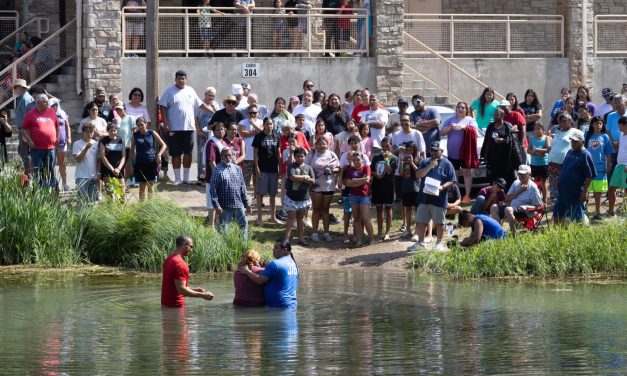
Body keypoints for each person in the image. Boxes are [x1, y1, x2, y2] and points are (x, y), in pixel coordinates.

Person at [158, 70, 213, 184]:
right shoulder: (169, 91)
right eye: (179, 78)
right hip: (174, 128)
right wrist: (166, 123)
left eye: (183, 78)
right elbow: (162, 106)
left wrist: (213, 112)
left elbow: (200, 104)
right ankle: (177, 178)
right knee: (176, 154)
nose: (181, 80)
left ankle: (186, 178)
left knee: (188, 153)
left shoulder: (191, 90)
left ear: (186, 79)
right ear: (175, 79)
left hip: (189, 128)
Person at [407, 141, 457, 252]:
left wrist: (442, 187)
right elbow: (418, 175)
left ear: (441, 151)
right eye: (431, 150)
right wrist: (430, 166)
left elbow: (452, 180)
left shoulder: (447, 164)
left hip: (439, 199)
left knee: (440, 222)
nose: (433, 152)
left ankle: (438, 243)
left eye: (436, 150)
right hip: (424, 198)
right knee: (421, 221)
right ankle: (420, 243)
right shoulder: (425, 162)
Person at [237, 240, 299, 309]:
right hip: (292, 304)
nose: (273, 250)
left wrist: (247, 271)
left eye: (276, 247)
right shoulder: (294, 264)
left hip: (278, 306)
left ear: (285, 249)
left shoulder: (275, 264)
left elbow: (259, 280)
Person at [553, 131, 596, 224]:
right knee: (556, 214)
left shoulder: (585, 155)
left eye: (576, 141)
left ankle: (580, 236)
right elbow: (565, 168)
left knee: (578, 218)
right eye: (572, 141)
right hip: (562, 191)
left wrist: (584, 192)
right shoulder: (570, 151)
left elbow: (590, 175)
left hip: (575, 192)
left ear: (583, 142)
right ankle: (557, 235)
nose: (573, 143)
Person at [210, 147, 253, 239]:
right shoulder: (217, 170)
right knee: (224, 230)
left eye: (230, 155)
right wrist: (216, 205)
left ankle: (243, 246)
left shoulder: (237, 169)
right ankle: (224, 249)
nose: (228, 157)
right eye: (225, 155)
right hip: (225, 206)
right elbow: (213, 189)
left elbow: (243, 187)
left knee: (243, 225)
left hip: (238, 204)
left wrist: (247, 204)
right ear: (221, 157)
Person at [161, 235, 214, 308]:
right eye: (191, 246)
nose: (191, 249)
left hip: (165, 305)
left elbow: (175, 286)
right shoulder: (181, 264)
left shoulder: (168, 259)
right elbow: (181, 290)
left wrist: (194, 290)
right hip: (176, 307)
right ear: (183, 245)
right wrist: (202, 295)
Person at [440, 101, 478, 203]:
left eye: (463, 108)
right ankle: (457, 196)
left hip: (466, 153)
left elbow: (476, 132)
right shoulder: (450, 120)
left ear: (466, 110)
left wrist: (464, 127)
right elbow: (442, 133)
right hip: (452, 153)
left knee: (466, 173)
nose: (461, 109)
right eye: (459, 107)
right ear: (456, 109)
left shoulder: (470, 120)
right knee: (454, 174)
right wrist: (450, 128)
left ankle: (467, 195)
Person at [490, 165, 543, 236]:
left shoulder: (533, 187)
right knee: (494, 207)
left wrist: (527, 207)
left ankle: (514, 235)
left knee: (508, 210)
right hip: (511, 208)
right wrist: (519, 191)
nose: (520, 176)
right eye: (519, 174)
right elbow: (506, 198)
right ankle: (499, 233)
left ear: (529, 175)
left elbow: (538, 206)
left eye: (523, 175)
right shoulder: (516, 183)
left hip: (524, 211)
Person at [305, 136, 340, 242]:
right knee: (316, 209)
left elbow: (339, 168)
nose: (321, 146)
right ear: (316, 145)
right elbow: (305, 168)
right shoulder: (311, 154)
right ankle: (315, 233)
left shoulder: (332, 154)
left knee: (325, 210)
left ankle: (326, 233)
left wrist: (331, 170)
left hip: (328, 185)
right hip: (316, 186)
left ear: (328, 144)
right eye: (319, 144)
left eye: (324, 143)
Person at [21, 94, 59, 188]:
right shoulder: (31, 114)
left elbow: (57, 125)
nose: (47, 103)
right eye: (45, 102)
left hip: (50, 148)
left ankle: (52, 190)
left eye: (47, 101)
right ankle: (38, 191)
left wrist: (57, 137)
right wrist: (29, 141)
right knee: (37, 170)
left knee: (50, 169)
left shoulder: (51, 112)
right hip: (37, 148)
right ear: (38, 103)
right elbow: (23, 128)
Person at [253, 117, 282, 225]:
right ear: (263, 125)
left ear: (273, 125)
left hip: (273, 169)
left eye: (271, 124)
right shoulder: (258, 137)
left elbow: (278, 154)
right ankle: (259, 218)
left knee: (273, 194)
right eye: (267, 124)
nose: (269, 126)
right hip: (262, 169)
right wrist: (256, 168)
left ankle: (273, 217)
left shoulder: (277, 137)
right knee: (260, 194)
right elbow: (255, 154)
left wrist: (279, 168)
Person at [480, 108, 519, 188]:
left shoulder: (507, 126)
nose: (495, 116)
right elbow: (486, 141)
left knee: (507, 180)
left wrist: (503, 140)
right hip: (493, 158)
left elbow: (512, 140)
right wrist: (484, 155)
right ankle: (495, 197)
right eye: (494, 114)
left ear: (502, 116)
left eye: (497, 115)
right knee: (494, 179)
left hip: (506, 159)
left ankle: (506, 197)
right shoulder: (490, 126)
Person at [283, 147, 315, 245]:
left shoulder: (309, 167)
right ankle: (286, 239)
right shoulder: (291, 167)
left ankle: (300, 238)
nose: (300, 158)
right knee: (291, 216)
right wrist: (306, 177)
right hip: (291, 197)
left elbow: (313, 180)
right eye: (298, 156)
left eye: (302, 156)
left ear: (305, 156)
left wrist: (302, 179)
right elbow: (293, 177)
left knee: (301, 218)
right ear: (294, 156)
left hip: (304, 198)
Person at [392, 114, 426, 204]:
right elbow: (392, 152)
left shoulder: (417, 133)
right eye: (402, 121)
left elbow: (422, 152)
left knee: (415, 194)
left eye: (406, 120)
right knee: (402, 197)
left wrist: (424, 167)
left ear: (411, 122)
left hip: (414, 167)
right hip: (400, 168)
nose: (404, 123)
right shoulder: (396, 135)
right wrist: (399, 149)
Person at [131, 117, 167, 201]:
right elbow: (132, 151)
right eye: (138, 125)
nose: (140, 127)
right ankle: (141, 206)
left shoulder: (152, 133)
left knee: (150, 185)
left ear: (146, 124)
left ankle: (150, 205)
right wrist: (132, 164)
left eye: (142, 124)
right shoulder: (135, 135)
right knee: (142, 186)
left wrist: (159, 154)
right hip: (140, 163)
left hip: (151, 162)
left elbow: (163, 145)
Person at [585, 117, 614, 220]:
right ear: (592, 125)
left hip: (600, 168)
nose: (598, 125)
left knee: (598, 191)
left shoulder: (605, 136)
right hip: (587, 168)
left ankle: (597, 211)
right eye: (596, 123)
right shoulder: (587, 136)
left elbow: (608, 153)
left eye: (600, 124)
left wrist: (609, 165)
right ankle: (585, 210)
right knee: (586, 190)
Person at [343, 151, 374, 246]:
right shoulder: (349, 170)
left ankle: (371, 239)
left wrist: (355, 181)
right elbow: (347, 183)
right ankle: (359, 240)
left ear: (362, 159)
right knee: (356, 218)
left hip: (364, 195)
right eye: (354, 160)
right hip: (353, 196)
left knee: (365, 218)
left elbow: (367, 179)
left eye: (358, 160)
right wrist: (360, 181)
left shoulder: (366, 167)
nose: (356, 162)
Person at [547, 113, 579, 201]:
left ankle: (565, 204)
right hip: (552, 164)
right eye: (560, 121)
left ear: (571, 121)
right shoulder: (557, 132)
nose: (562, 123)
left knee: (564, 185)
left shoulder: (575, 132)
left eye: (564, 120)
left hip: (565, 164)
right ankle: (556, 204)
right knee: (554, 186)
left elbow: (580, 148)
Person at [371, 137, 396, 241]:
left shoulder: (394, 158)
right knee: (379, 209)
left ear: (391, 146)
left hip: (389, 186)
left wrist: (386, 159)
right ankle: (380, 232)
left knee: (388, 209)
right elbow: (371, 170)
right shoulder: (376, 157)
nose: (385, 148)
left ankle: (387, 232)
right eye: (383, 146)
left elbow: (389, 171)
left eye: (387, 146)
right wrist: (375, 174)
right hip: (377, 186)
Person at [204, 122, 228, 227]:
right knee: (211, 203)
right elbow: (211, 162)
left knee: (220, 202)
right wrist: (218, 176)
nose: (220, 131)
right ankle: (211, 226)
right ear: (214, 132)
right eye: (218, 129)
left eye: (222, 129)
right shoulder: (212, 143)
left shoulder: (223, 142)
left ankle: (217, 224)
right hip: (213, 178)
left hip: (223, 178)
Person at [195, 87, 220, 186]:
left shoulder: (216, 103)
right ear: (205, 94)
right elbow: (195, 118)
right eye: (209, 95)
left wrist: (214, 107)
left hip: (213, 133)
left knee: (212, 154)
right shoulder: (200, 103)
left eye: (213, 95)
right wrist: (198, 130)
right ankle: (201, 177)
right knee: (201, 153)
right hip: (202, 132)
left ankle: (210, 175)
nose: (211, 97)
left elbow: (218, 116)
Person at [238, 103, 264, 192]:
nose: (252, 115)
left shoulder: (261, 122)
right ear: (247, 113)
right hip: (247, 156)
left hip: (259, 157)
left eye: (254, 113)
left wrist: (253, 124)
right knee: (245, 180)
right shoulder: (242, 122)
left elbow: (263, 132)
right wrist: (256, 131)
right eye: (250, 113)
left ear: (258, 113)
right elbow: (242, 133)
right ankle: (243, 200)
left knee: (257, 180)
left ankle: (256, 198)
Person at [398, 141, 420, 239]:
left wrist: (411, 162)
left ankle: (417, 231)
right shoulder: (404, 160)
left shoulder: (419, 159)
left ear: (415, 150)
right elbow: (401, 173)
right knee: (407, 209)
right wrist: (402, 163)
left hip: (416, 187)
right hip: (406, 187)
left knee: (417, 210)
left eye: (411, 150)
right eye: (407, 150)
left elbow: (419, 172)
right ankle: (408, 230)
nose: (409, 152)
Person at [48, 98, 71, 191]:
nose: (55, 107)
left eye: (56, 105)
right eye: (53, 105)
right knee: (51, 164)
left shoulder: (62, 113)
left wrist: (69, 137)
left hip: (62, 142)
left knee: (62, 163)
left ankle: (65, 183)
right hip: (51, 143)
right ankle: (52, 183)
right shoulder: (47, 114)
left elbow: (67, 126)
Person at [72, 124, 99, 203]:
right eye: (87, 132)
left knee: (92, 202)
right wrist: (86, 148)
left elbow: (99, 160)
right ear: (82, 133)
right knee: (82, 202)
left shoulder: (96, 143)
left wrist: (98, 173)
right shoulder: (77, 143)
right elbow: (78, 159)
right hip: (81, 177)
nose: (89, 134)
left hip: (94, 177)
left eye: (91, 132)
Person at [607, 116, 627, 217]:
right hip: (619, 166)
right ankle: (611, 212)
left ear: (625, 124)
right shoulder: (621, 135)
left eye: (620, 124)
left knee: (626, 190)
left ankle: (625, 212)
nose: (618, 126)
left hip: (626, 166)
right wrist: (610, 142)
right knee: (611, 189)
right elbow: (618, 145)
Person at [12, 79, 34, 173]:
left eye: (15, 88)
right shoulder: (23, 98)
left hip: (25, 129)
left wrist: (27, 133)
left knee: (25, 152)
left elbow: (28, 116)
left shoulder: (25, 99)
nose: (14, 90)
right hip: (23, 129)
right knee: (21, 150)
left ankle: (29, 174)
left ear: (20, 88)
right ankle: (28, 171)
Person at [99, 123, 126, 196]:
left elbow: (123, 156)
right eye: (111, 131)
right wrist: (112, 169)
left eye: (114, 130)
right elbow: (102, 156)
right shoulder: (103, 141)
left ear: (117, 130)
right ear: (107, 131)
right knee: (110, 194)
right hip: (107, 169)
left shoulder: (121, 140)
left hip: (119, 169)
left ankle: (121, 208)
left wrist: (119, 168)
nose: (113, 132)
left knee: (122, 194)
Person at [115, 103, 137, 188]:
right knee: (119, 164)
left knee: (128, 163)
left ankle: (127, 181)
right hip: (117, 146)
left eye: (120, 109)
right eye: (117, 109)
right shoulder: (116, 119)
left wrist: (134, 144)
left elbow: (134, 131)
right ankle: (121, 180)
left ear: (124, 109)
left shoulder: (130, 118)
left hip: (128, 145)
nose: (118, 111)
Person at [528, 122, 551, 203]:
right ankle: (537, 199)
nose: (537, 131)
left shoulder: (546, 138)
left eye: (539, 129)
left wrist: (536, 150)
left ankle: (544, 201)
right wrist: (537, 152)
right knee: (536, 182)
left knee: (543, 182)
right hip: (534, 164)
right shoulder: (532, 138)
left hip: (543, 163)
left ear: (543, 130)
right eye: (535, 129)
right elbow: (528, 150)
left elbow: (548, 149)